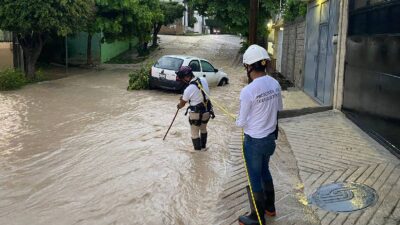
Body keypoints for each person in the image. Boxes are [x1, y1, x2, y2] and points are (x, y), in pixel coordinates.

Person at [236, 45, 283, 225]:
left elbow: (241, 122)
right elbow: (279, 109)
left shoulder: (248, 91)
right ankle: (270, 208)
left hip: (254, 142)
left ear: (249, 67)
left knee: (254, 176)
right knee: (265, 171)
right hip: (270, 140)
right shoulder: (275, 83)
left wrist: (238, 120)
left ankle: (256, 216)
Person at [176, 66, 214, 151]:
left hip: (196, 114)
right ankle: (204, 147)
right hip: (207, 111)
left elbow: (182, 104)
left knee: (194, 133)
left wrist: (179, 105)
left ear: (187, 77)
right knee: (203, 129)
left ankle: (198, 154)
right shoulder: (203, 80)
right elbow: (200, 93)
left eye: (182, 78)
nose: (182, 80)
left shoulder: (188, 89)